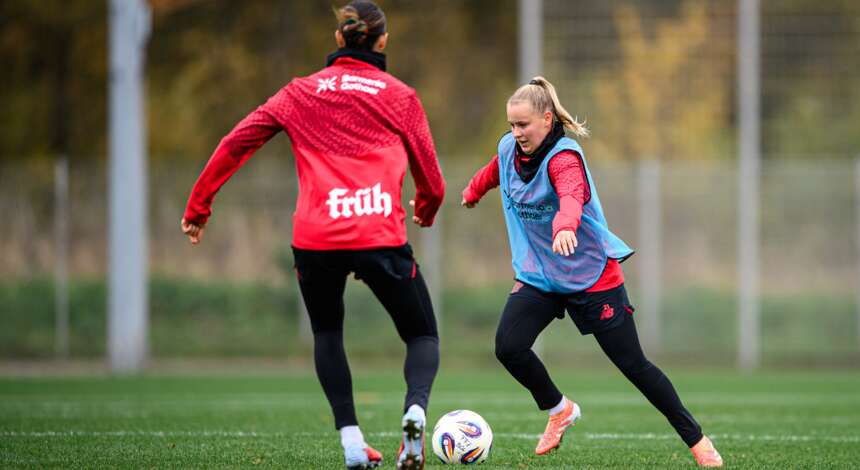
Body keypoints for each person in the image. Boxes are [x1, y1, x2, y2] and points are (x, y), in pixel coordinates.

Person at [181, 2, 444, 469]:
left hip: (316, 238)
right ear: (382, 41)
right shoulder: (399, 94)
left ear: (339, 39)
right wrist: (425, 207)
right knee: (422, 335)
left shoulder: (299, 92)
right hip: (378, 232)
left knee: (327, 331)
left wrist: (199, 206)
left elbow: (235, 143)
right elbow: (432, 178)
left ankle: (350, 441)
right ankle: (415, 416)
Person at [460, 76, 723, 467]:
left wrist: (565, 225)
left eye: (524, 125)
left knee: (634, 366)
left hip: (592, 276)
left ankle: (699, 442)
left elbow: (570, 195)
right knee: (508, 346)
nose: (516, 133)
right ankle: (558, 408)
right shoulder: (508, 147)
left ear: (547, 119)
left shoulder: (564, 158)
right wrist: (472, 191)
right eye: (512, 125)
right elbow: (496, 169)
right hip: (542, 276)